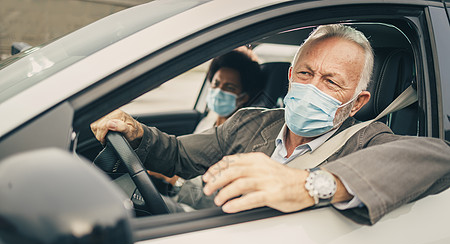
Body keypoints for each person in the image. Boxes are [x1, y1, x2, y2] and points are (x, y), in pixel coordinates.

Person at [91, 24, 450, 225]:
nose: (312, 88)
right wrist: (139, 133)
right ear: (290, 76)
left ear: (357, 102)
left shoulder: (367, 139)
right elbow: (178, 154)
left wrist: (310, 184)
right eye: (306, 74)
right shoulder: (250, 123)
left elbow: (437, 155)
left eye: (330, 82)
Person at [151, 48, 264, 208]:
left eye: (229, 88)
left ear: (243, 97)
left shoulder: (245, 139)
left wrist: (174, 180)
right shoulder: (207, 121)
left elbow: (220, 201)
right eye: (216, 84)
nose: (219, 91)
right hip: (182, 200)